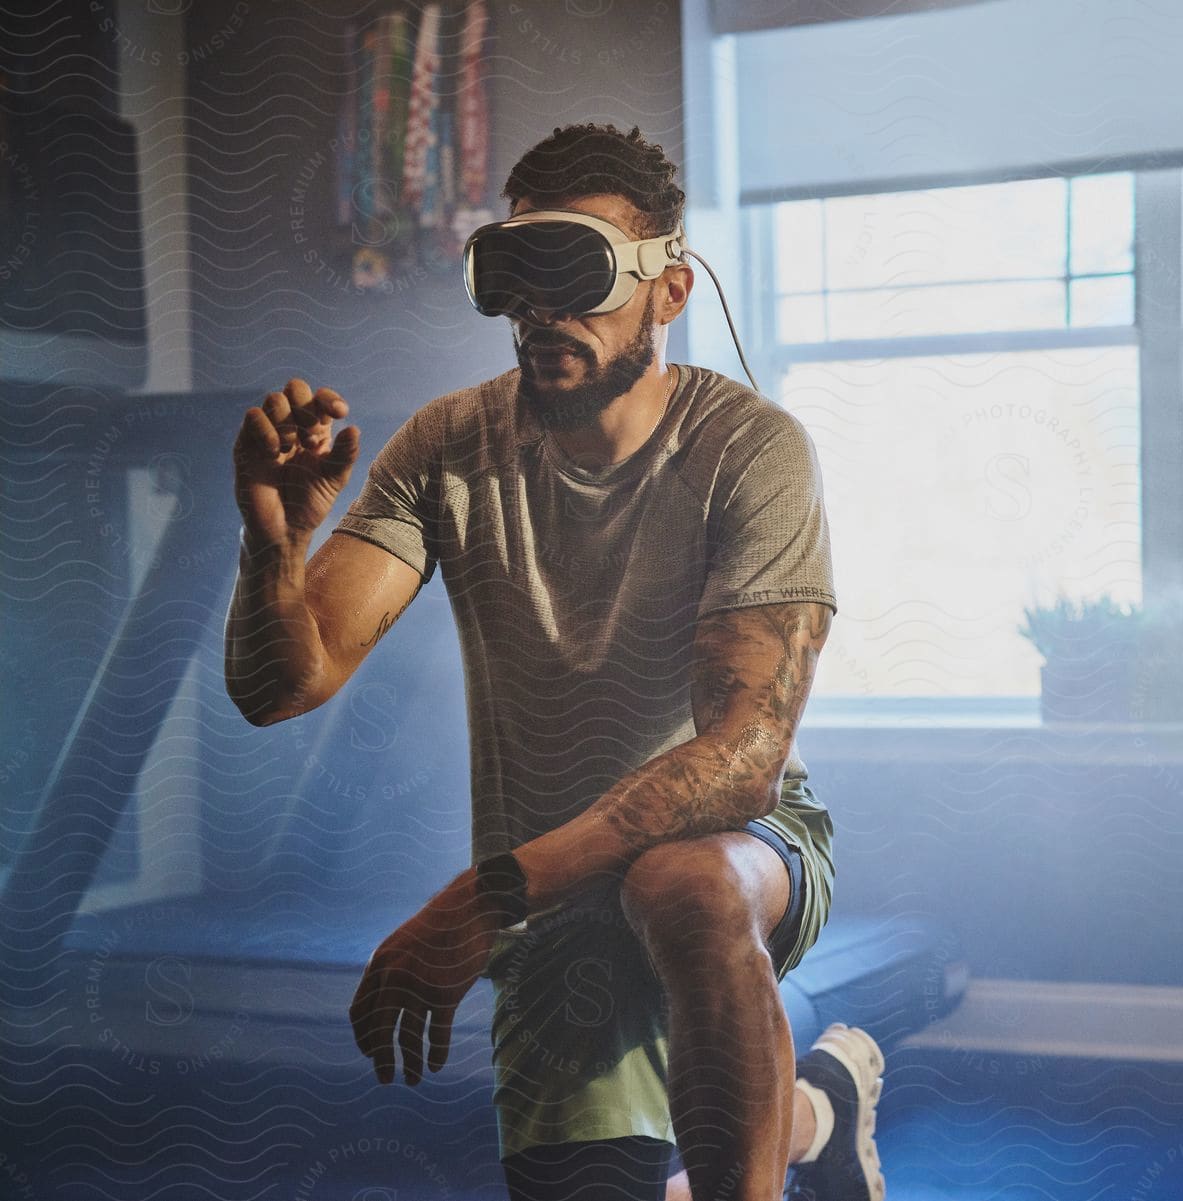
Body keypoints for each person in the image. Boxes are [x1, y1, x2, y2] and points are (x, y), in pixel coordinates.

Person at [224, 122, 885, 1201]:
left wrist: (481, 900)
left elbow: (744, 757)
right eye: (515, 274)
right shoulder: (445, 445)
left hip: (733, 845)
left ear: (668, 290)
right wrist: (273, 541)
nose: (540, 310)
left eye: (575, 273)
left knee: (684, 886)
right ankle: (821, 1107)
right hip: (545, 892)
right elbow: (275, 686)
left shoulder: (751, 448)